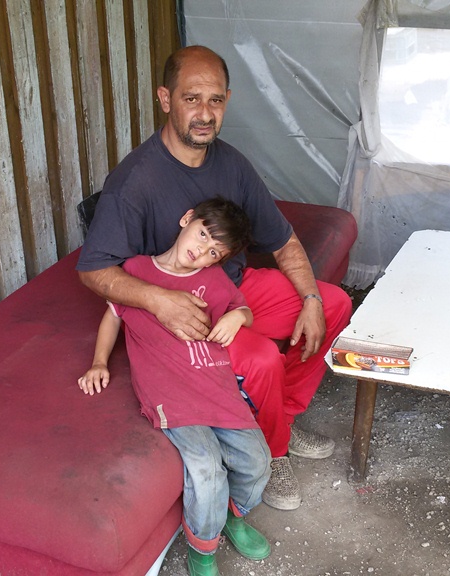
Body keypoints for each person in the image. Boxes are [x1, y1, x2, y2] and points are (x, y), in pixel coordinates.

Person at [77, 45, 352, 510]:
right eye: (191, 99)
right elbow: (93, 270)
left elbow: (283, 241)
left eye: (216, 100)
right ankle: (274, 450)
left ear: (228, 100)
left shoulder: (231, 163)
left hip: (234, 290)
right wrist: (158, 300)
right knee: (262, 360)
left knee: (334, 304)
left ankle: (279, 420)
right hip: (186, 307)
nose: (205, 114)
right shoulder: (134, 182)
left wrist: (309, 298)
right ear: (166, 99)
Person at [79, 198, 271, 576]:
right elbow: (113, 317)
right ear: (187, 220)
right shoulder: (135, 272)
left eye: (214, 252)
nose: (202, 250)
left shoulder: (214, 280)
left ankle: (233, 516)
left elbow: (243, 309)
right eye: (203, 235)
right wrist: (99, 362)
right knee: (206, 468)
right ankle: (203, 549)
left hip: (217, 388)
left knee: (257, 461)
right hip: (171, 394)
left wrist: (237, 317)